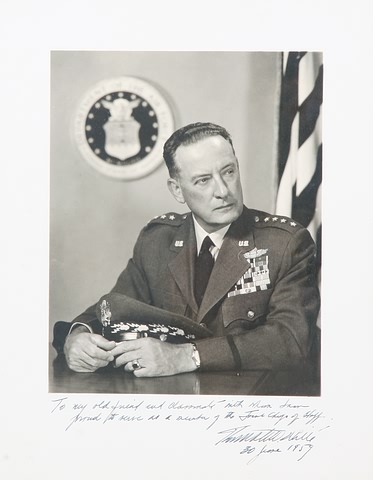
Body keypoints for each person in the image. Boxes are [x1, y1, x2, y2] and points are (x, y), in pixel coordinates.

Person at [57, 122, 320, 377]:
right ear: (177, 190)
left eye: (228, 172)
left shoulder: (284, 243)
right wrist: (77, 336)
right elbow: (114, 308)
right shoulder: (157, 241)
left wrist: (187, 356)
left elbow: (290, 340)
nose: (223, 191)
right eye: (203, 180)